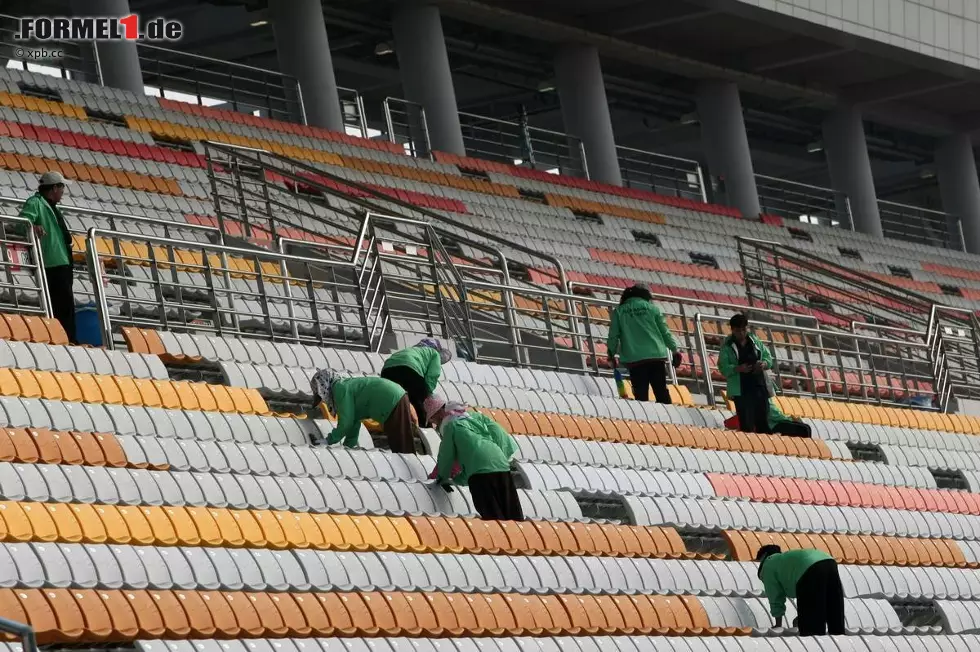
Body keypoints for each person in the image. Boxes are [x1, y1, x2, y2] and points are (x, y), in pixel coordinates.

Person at [425, 395, 524, 521]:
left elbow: (447, 456)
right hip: (501, 464)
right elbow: (498, 432)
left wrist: (441, 478)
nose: (433, 423)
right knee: (512, 515)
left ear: (439, 414)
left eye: (432, 419)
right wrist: (500, 455)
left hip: (480, 472)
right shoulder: (474, 417)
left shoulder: (450, 427)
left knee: (493, 518)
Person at [19, 172, 75, 343]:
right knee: (61, 306)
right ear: (55, 188)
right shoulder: (35, 203)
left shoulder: (50, 206)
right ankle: (66, 340)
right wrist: (33, 227)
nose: (64, 190)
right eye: (62, 186)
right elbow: (21, 223)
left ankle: (68, 339)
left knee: (65, 305)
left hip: (61, 261)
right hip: (52, 263)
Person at [310, 369, 418, 453]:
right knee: (401, 443)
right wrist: (348, 449)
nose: (323, 399)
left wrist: (328, 440)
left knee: (402, 446)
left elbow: (346, 423)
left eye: (321, 396)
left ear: (324, 387)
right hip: (393, 397)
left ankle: (412, 477)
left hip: (390, 400)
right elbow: (353, 423)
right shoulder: (344, 388)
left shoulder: (340, 389)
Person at [606, 284, 681, 404]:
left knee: (640, 396)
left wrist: (611, 354)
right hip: (656, 356)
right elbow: (665, 332)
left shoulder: (619, 312)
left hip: (635, 358)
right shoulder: (653, 309)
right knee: (661, 392)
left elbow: (613, 336)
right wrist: (674, 350)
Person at [756, 545, 845, 636]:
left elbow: (775, 597)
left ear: (764, 556)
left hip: (809, 567)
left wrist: (778, 625)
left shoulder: (768, 565)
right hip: (829, 560)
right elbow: (818, 600)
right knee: (834, 611)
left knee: (811, 631)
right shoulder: (784, 561)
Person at [719, 313, 774, 434]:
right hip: (741, 389)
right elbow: (723, 367)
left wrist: (763, 364)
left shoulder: (755, 341)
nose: (742, 333)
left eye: (744, 330)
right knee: (746, 424)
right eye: (738, 331)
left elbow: (768, 358)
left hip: (759, 386)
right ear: (732, 330)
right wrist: (737, 368)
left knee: (763, 422)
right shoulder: (727, 346)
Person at [380, 338, 453, 427]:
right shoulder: (434, 353)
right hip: (409, 369)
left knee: (396, 401)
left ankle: (394, 426)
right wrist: (426, 393)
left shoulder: (410, 350)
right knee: (419, 403)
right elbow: (432, 375)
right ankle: (424, 429)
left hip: (387, 371)